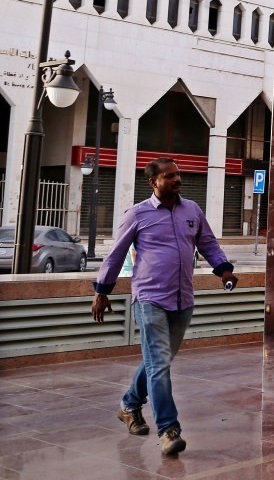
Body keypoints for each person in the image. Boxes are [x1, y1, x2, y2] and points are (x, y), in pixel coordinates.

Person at [91, 157, 237, 455]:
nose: (176, 179)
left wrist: (223, 269)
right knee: (159, 363)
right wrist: (102, 291)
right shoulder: (137, 214)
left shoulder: (192, 210)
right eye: (169, 176)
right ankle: (169, 429)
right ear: (153, 182)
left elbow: (207, 243)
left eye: (178, 174)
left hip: (183, 298)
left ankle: (129, 404)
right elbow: (115, 255)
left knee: (160, 361)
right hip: (149, 298)